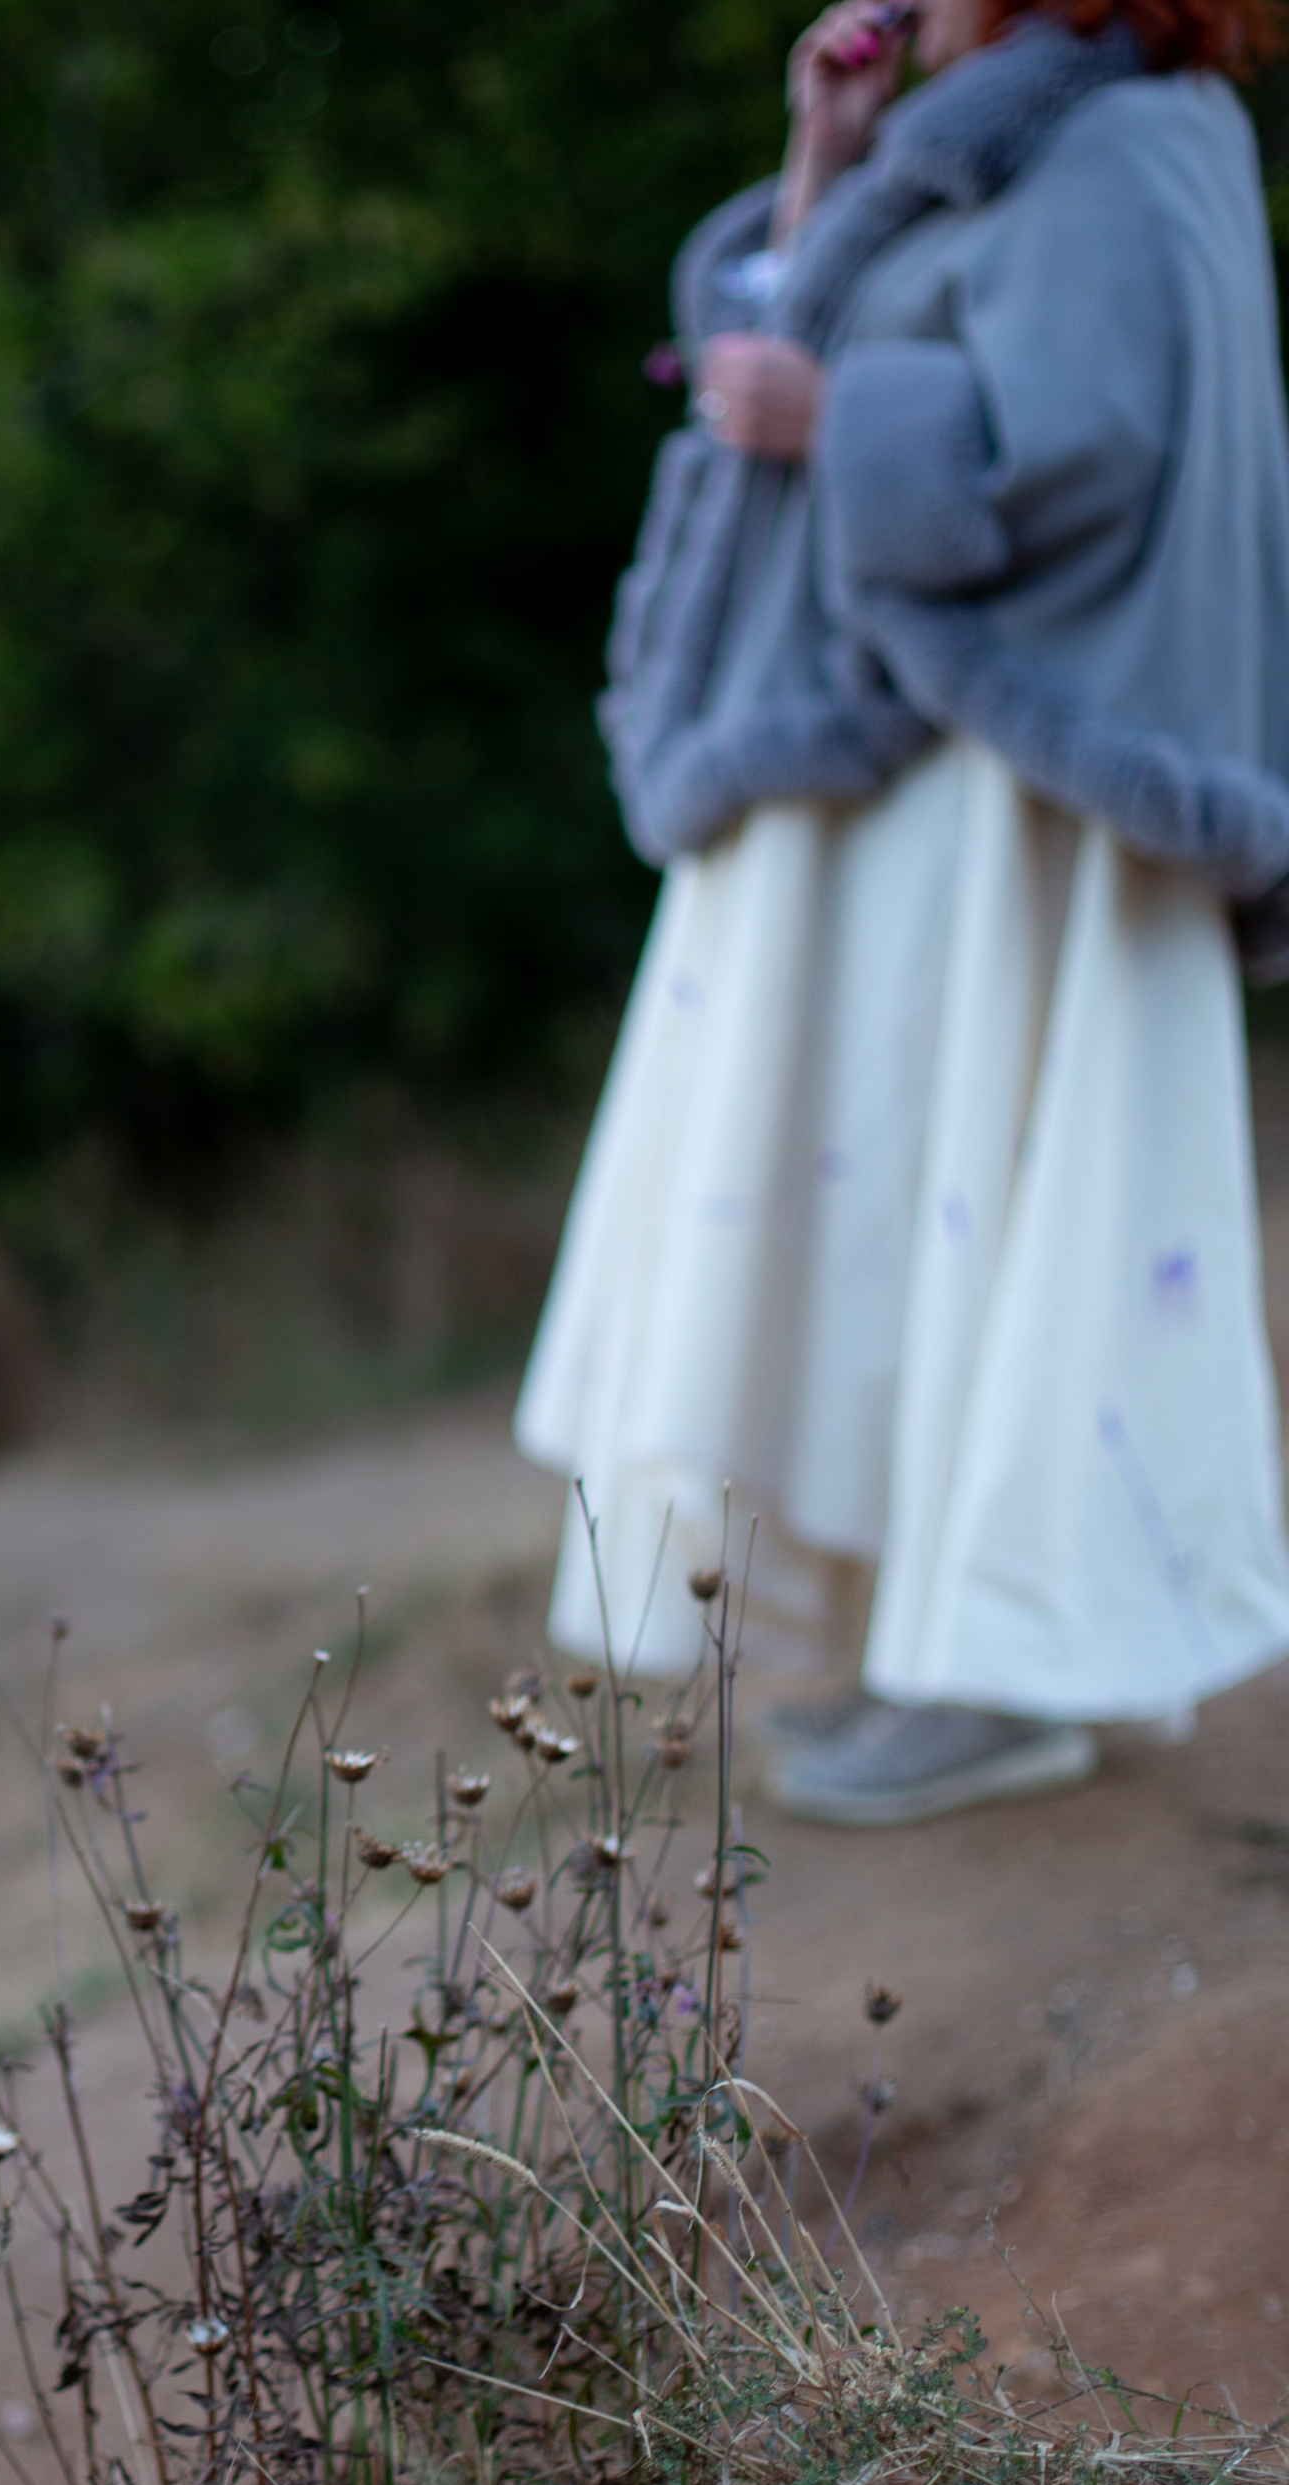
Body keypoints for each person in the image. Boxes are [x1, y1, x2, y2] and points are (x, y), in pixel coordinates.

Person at [514, 0, 1289, 1824]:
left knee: (983, 1202)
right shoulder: (997, 136)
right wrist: (824, 171)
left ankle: (1006, 1670)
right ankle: (939, 1649)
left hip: (1018, 797)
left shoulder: (1134, 139)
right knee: (891, 1219)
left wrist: (838, 414)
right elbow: (807, 334)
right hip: (918, 771)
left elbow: (1093, 451)